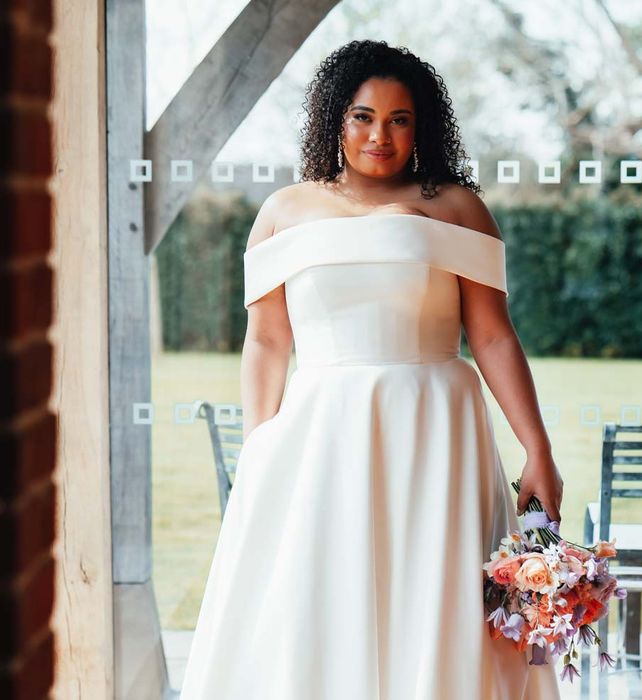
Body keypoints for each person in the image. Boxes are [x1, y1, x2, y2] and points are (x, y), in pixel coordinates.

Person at [180, 39, 563, 700]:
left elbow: (494, 336)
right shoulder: (283, 212)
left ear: (423, 126)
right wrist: (259, 449)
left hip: (437, 427)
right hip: (320, 434)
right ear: (334, 120)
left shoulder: (458, 208)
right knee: (320, 593)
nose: (379, 136)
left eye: (399, 119)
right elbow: (268, 341)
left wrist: (538, 448)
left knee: (434, 592)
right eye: (363, 116)